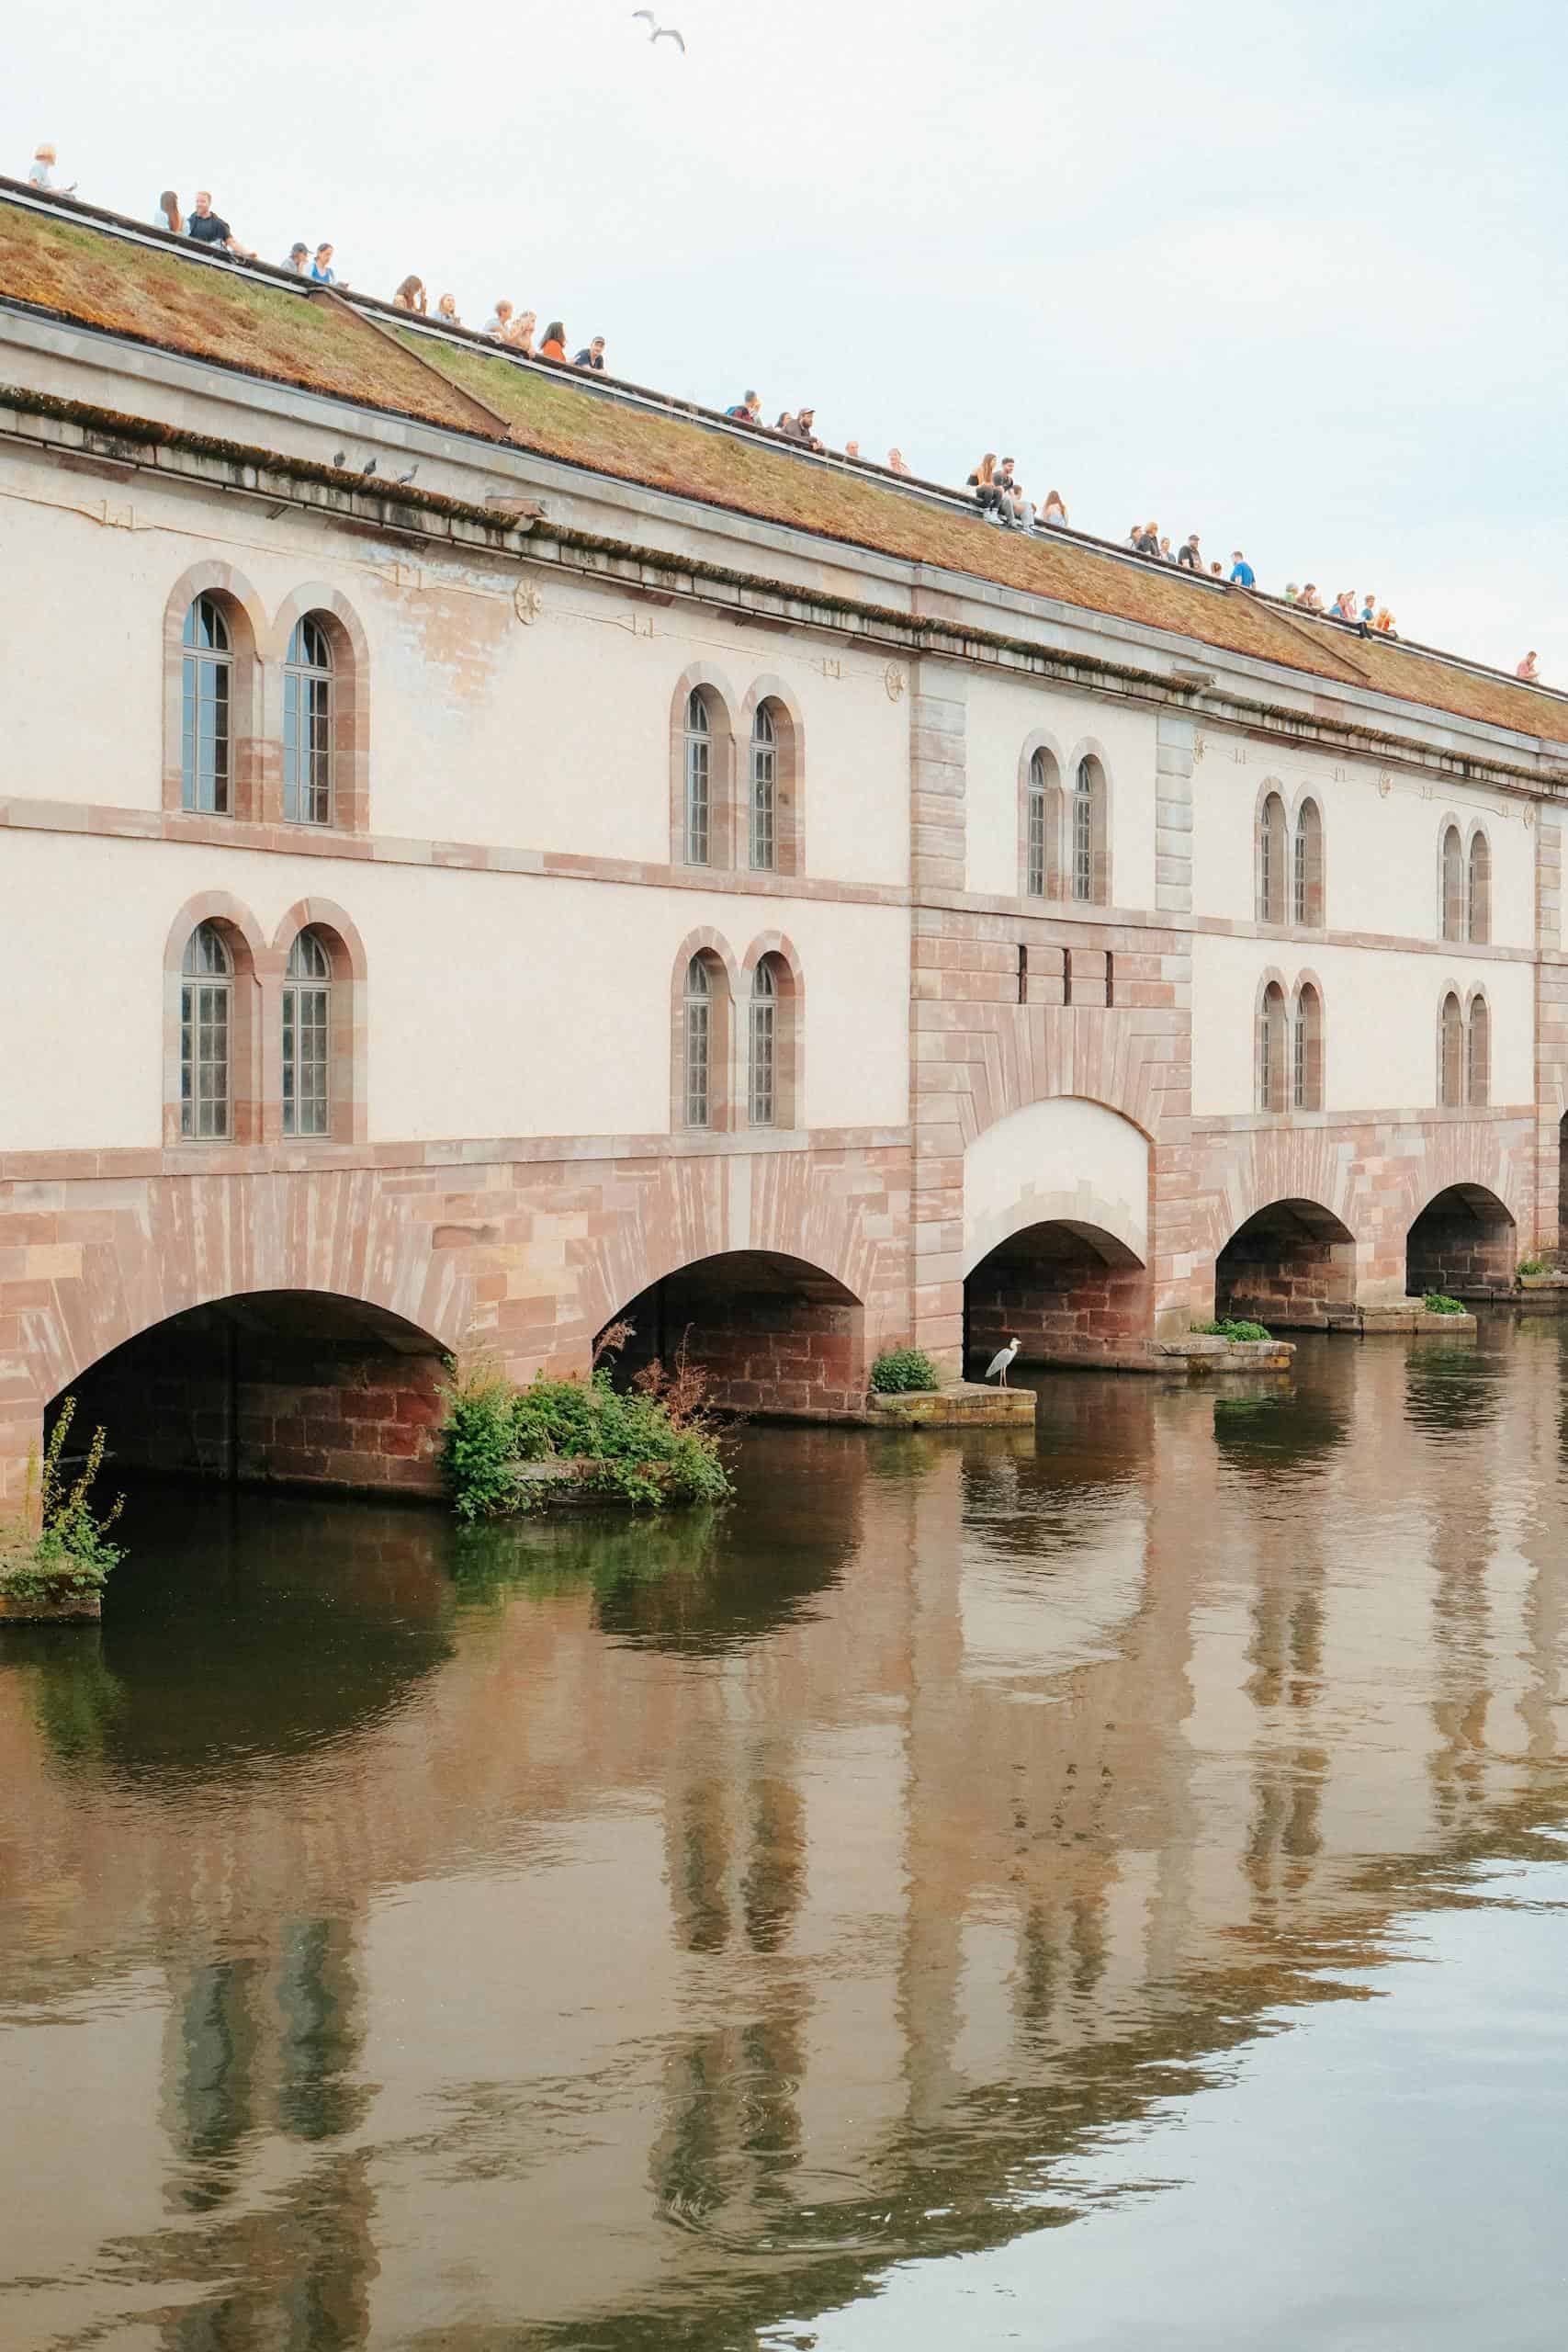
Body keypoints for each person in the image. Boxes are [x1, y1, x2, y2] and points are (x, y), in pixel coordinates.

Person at [187, 191, 254, 259]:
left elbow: (232, 242)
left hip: (207, 260)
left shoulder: (218, 224)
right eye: (197, 201)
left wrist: (247, 253)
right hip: (188, 256)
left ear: (209, 203)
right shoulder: (190, 220)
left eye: (202, 202)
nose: (199, 204)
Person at [968, 452, 1003, 517]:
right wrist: (991, 486)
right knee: (989, 488)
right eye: (994, 460)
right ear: (988, 460)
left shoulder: (990, 472)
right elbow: (982, 483)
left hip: (981, 491)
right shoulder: (980, 468)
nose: (995, 462)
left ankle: (994, 513)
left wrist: (996, 487)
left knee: (998, 491)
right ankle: (986, 513)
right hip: (971, 490)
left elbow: (992, 485)